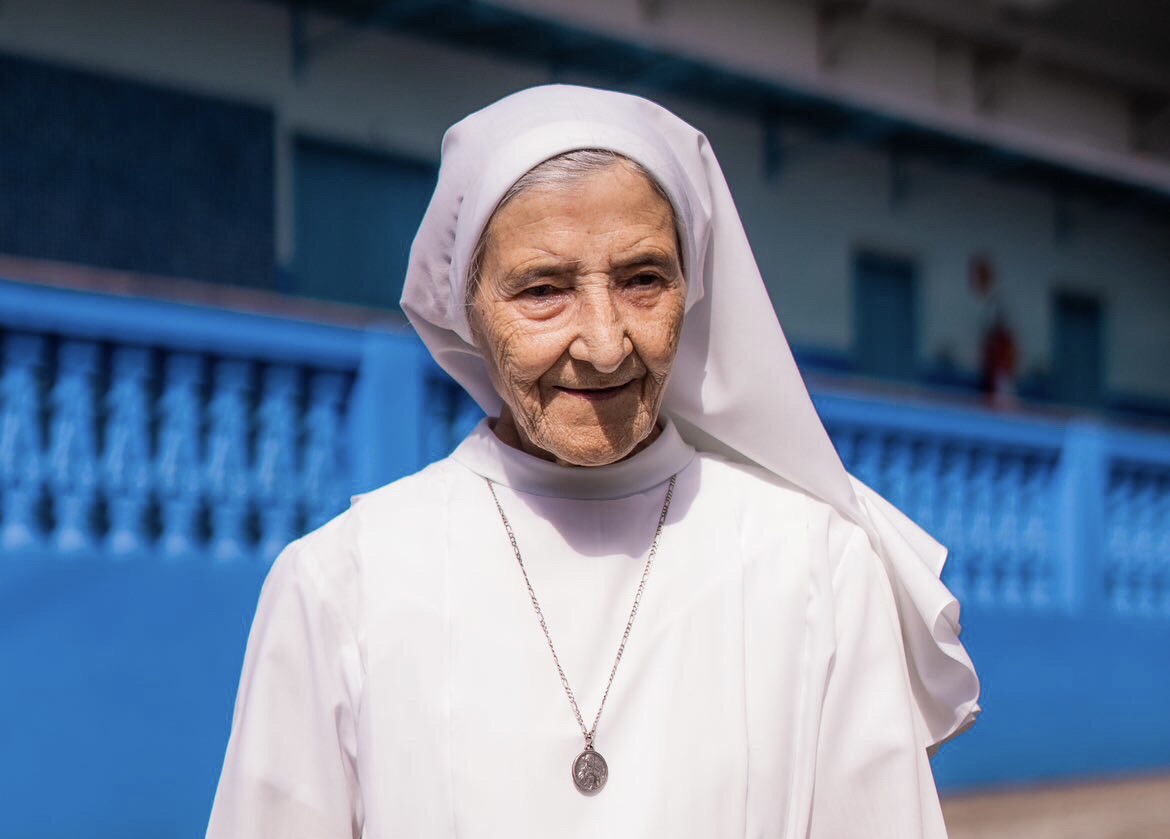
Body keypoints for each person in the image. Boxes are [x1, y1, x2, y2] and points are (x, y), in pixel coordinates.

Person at [207, 85, 979, 838]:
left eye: (644, 279)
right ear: (466, 308)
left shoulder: (815, 570)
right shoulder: (343, 581)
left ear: (693, 288)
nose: (606, 343)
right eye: (544, 289)